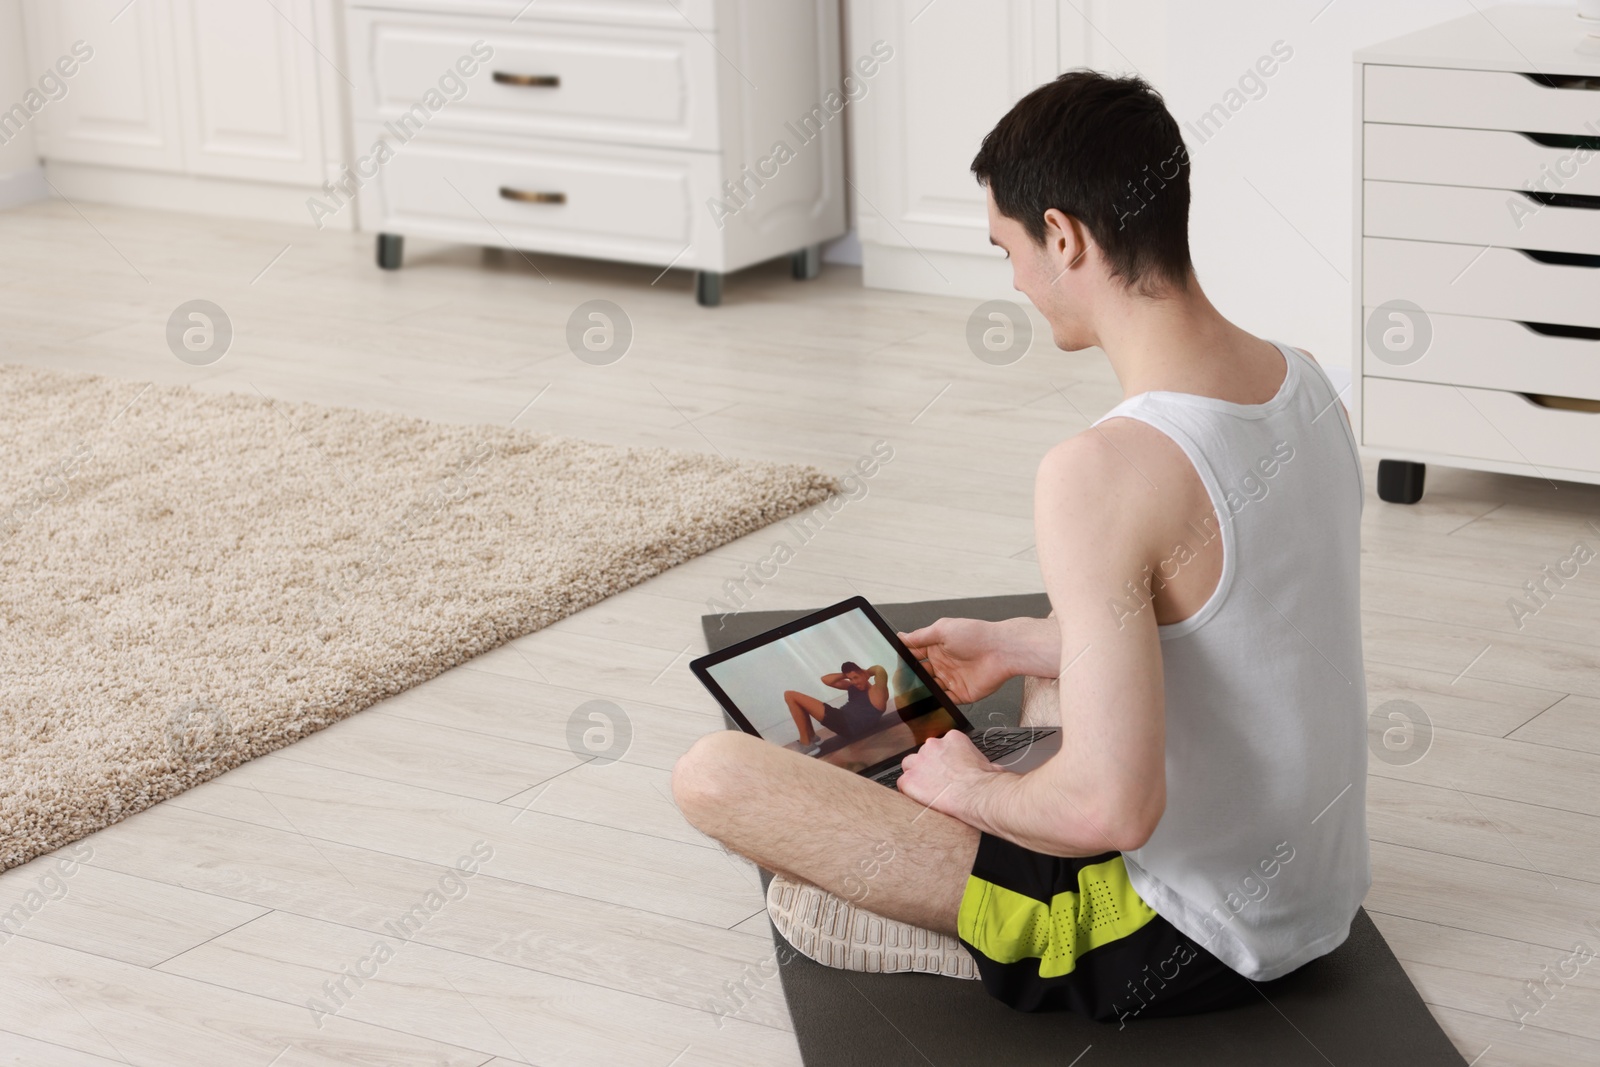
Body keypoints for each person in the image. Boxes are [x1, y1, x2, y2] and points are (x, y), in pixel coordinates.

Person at [672, 69, 1368, 1023]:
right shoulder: (1307, 385)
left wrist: (975, 789)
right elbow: (1247, 624)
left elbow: (1112, 815)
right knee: (1053, 675)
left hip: (1169, 936)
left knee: (716, 773)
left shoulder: (1101, 469)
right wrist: (1011, 641)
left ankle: (937, 927)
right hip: (1315, 896)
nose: (1013, 281)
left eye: (1007, 249)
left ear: (1064, 236)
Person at [782, 662, 889, 754]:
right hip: (841, 719)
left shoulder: (877, 692)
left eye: (856, 677)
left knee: (790, 695)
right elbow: (825, 680)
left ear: (864, 675)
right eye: (850, 679)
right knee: (800, 702)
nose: (854, 682)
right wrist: (846, 675)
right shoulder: (853, 687)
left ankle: (806, 744)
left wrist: (866, 672)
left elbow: (879, 669)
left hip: (846, 724)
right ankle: (811, 736)